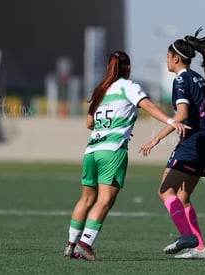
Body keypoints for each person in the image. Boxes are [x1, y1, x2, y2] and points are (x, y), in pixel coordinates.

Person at [63, 50, 190, 261]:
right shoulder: (129, 86)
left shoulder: (100, 90)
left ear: (108, 68)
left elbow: (89, 123)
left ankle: (70, 244)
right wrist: (171, 121)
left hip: (92, 150)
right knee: (104, 201)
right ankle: (85, 244)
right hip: (112, 152)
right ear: (128, 68)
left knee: (86, 199)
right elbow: (147, 106)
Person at [139, 27, 205, 259]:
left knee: (164, 190)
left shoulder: (180, 79)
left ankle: (187, 235)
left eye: (167, 57)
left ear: (176, 58)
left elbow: (182, 115)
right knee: (183, 197)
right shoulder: (198, 78)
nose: (166, 61)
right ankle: (200, 248)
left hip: (192, 142)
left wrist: (156, 138)